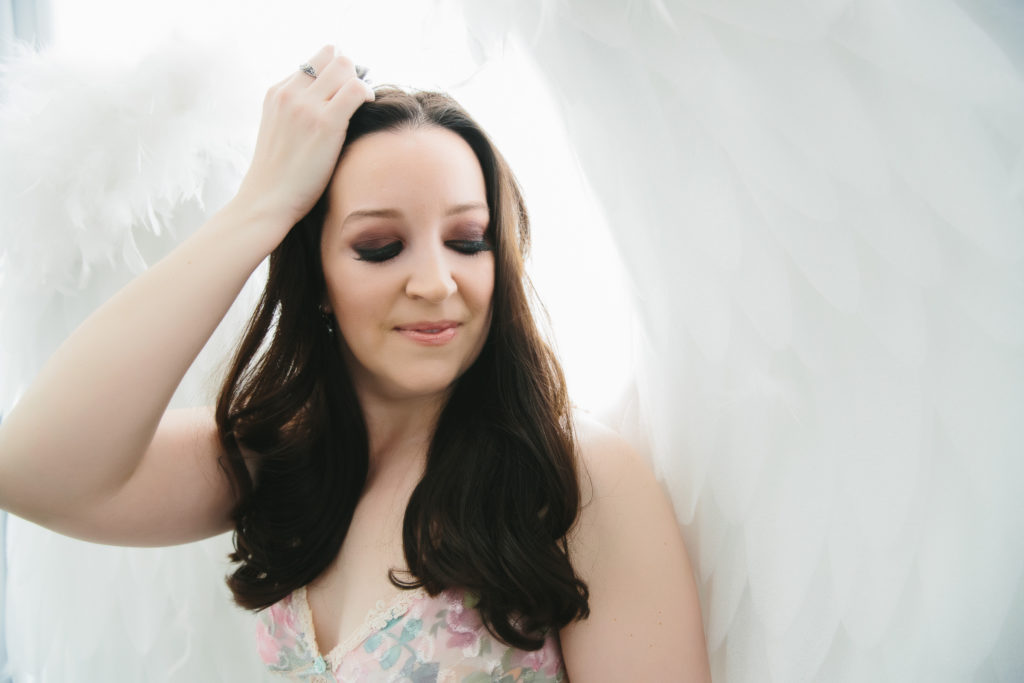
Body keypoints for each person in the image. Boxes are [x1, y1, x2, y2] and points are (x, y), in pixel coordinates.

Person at [0, 46, 710, 681]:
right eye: (380, 246)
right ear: (318, 281)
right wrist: (259, 207)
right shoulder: (282, 459)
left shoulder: (572, 479)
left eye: (468, 240)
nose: (436, 281)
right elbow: (34, 468)